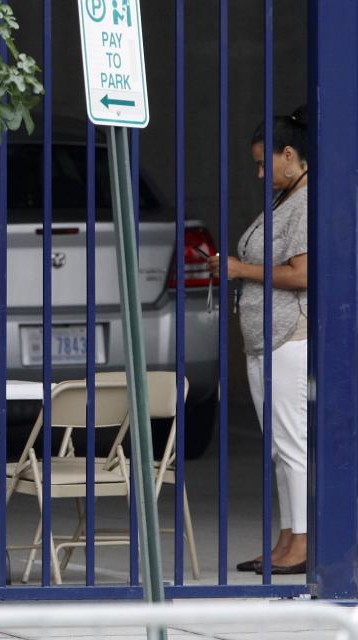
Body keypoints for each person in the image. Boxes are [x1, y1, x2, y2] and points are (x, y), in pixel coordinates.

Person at [209, 106, 308, 575]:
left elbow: (301, 274)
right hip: (265, 339)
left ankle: (303, 544)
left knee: (290, 443)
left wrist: (238, 269)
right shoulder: (285, 199)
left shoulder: (306, 202)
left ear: (290, 154)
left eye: (266, 163)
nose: (261, 172)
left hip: (288, 335)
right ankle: (287, 539)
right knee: (277, 445)